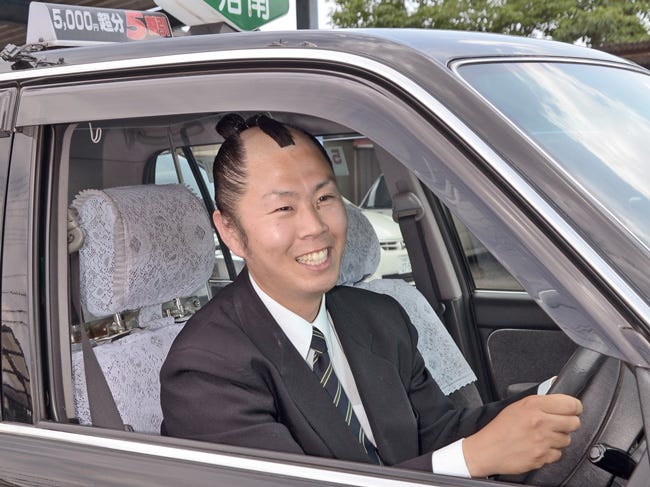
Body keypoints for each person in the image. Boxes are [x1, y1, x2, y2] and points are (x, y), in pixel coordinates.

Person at [160, 114, 582, 477]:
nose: (315, 226)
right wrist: (470, 459)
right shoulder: (204, 368)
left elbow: (434, 434)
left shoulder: (381, 316)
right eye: (284, 208)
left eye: (325, 198)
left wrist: (552, 396)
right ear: (230, 231)